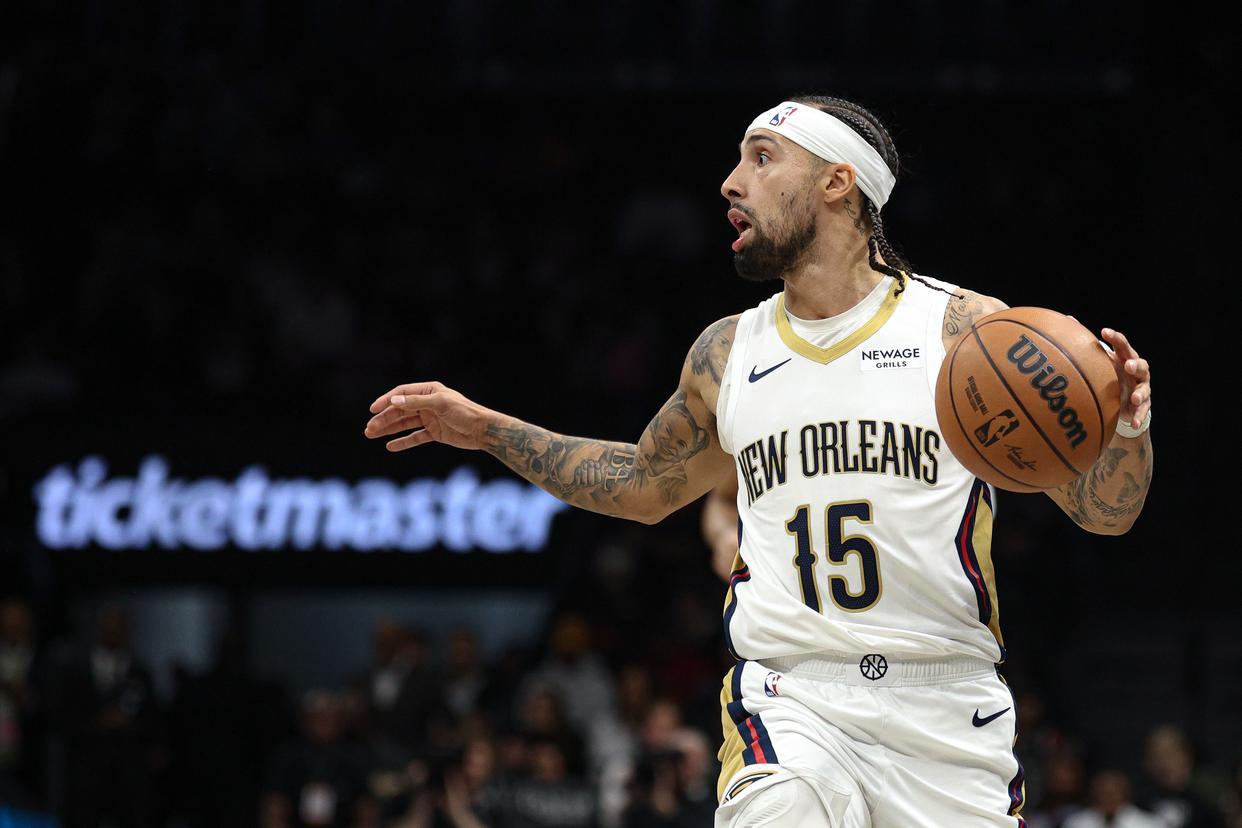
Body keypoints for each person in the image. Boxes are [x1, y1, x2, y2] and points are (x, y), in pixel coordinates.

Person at [363, 95, 1154, 826]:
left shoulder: (964, 331)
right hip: (791, 697)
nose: (731, 182)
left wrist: (1122, 428)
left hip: (947, 705)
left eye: (762, 157)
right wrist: (486, 430)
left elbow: (1105, 512)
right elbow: (640, 485)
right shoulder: (727, 352)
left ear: (838, 182)